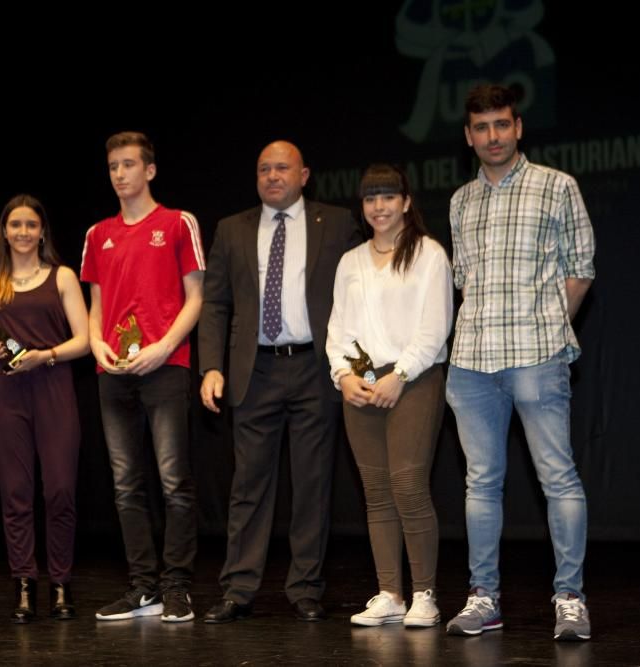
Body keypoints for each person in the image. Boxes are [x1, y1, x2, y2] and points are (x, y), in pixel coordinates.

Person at [444, 83, 595, 641]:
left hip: (537, 355)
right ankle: (484, 598)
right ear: (469, 136)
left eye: (501, 124)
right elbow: (465, 282)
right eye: (481, 128)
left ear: (518, 127)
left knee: (558, 477)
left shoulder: (557, 187)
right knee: (481, 483)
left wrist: (550, 330)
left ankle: (570, 599)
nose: (492, 136)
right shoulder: (461, 201)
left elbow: (581, 269)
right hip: (472, 361)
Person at [199, 140, 363, 623]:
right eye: (264, 169)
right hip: (256, 370)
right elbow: (215, 303)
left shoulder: (336, 223)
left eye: (282, 168)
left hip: (315, 367)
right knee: (248, 485)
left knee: (312, 482)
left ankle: (306, 588)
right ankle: (239, 588)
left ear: (305, 174)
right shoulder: (232, 229)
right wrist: (212, 365)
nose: (273, 176)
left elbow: (360, 292)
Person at [81, 131, 205, 623]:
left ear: (149, 170)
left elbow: (196, 297)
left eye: (128, 164)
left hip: (164, 366)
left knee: (174, 480)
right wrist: (96, 343)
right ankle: (142, 588)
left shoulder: (177, 223)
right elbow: (96, 307)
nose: (119, 174)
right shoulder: (97, 233)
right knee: (126, 484)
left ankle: (177, 587)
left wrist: (163, 346)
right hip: (112, 371)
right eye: (112, 166)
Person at [326, 164, 453, 628]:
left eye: (387, 197)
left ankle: (425, 594)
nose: (378, 207)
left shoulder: (428, 254)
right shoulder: (351, 261)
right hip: (361, 385)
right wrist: (346, 375)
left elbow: (435, 326)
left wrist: (399, 374)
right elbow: (339, 329)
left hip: (413, 380)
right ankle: (389, 593)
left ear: (405, 201)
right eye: (370, 199)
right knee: (377, 492)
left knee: (407, 485)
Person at [0, 194, 89, 623]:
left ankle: (61, 582)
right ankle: (24, 583)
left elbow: (84, 339)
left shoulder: (61, 277)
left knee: (59, 488)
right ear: (4, 231)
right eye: (15, 225)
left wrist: (46, 355)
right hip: (6, 392)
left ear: (42, 231)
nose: (23, 232)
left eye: (31, 225)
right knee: (16, 494)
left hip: (54, 385)